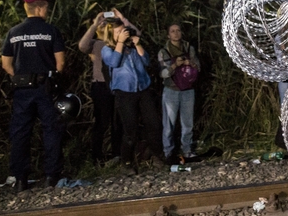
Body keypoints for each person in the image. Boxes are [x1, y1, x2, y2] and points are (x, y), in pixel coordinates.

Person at [0, 0, 66, 192]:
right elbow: (61, 64)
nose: (47, 11)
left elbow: (6, 64)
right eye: (46, 7)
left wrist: (19, 77)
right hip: (45, 87)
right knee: (51, 131)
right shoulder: (51, 31)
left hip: (22, 90)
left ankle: (20, 179)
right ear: (39, 8)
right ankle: (50, 176)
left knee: (20, 133)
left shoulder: (13, 32)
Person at [101, 17, 164, 174]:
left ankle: (157, 155)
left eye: (123, 30)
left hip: (143, 88)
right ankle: (127, 162)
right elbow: (114, 62)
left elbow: (146, 61)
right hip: (125, 92)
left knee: (154, 124)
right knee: (130, 128)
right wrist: (120, 43)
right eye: (118, 31)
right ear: (111, 34)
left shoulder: (132, 47)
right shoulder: (107, 49)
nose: (122, 33)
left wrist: (138, 44)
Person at [78, 9, 135, 165]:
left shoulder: (119, 41)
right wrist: (95, 24)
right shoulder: (96, 44)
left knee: (119, 121)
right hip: (101, 86)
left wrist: (122, 19)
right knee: (102, 122)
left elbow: (137, 35)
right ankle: (96, 157)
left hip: (118, 85)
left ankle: (117, 154)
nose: (104, 25)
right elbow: (82, 46)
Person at [157, 23, 200, 160]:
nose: (176, 33)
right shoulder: (164, 52)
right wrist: (175, 65)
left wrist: (191, 63)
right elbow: (162, 73)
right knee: (169, 124)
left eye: (178, 30)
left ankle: (187, 149)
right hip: (171, 91)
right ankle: (168, 152)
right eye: (172, 31)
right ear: (168, 35)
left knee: (187, 123)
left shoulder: (189, 48)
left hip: (187, 90)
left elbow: (198, 67)